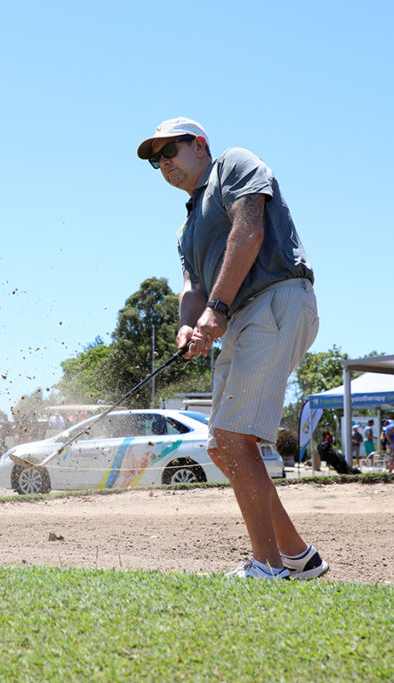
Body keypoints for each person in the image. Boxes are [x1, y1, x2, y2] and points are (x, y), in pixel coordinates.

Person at [138, 116, 326, 581]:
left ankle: (267, 566)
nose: (164, 165)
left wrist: (217, 309)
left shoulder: (232, 165)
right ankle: (299, 557)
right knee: (222, 447)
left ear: (198, 144)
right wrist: (188, 324)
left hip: (273, 298)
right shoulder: (187, 228)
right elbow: (192, 285)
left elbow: (249, 229)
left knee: (234, 440)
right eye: (156, 161)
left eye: (170, 152)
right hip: (243, 315)